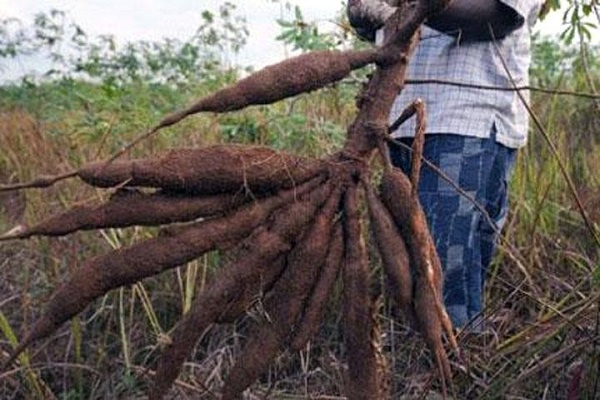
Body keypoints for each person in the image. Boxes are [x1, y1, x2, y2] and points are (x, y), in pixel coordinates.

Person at [348, 0, 543, 330]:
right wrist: (367, 13)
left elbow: (498, 17)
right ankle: (422, 364)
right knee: (409, 267)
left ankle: (454, 366)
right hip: (400, 116)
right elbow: (380, 23)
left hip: (467, 117)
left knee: (444, 271)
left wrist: (406, 5)